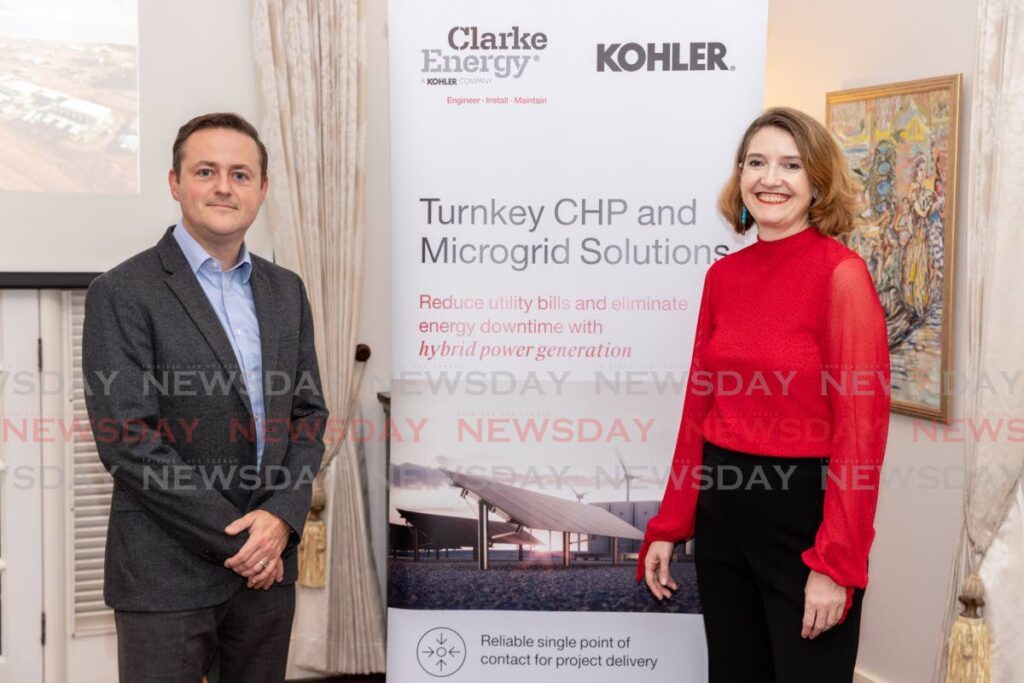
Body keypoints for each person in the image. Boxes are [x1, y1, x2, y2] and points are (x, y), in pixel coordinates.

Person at [637, 107, 890, 682]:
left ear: (817, 181)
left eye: (790, 165)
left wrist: (835, 563)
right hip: (723, 506)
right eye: (756, 162)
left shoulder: (841, 276)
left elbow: (862, 436)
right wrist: (672, 523)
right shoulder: (723, 278)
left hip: (803, 517)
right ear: (740, 176)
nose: (769, 179)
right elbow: (698, 410)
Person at [83, 112, 328, 683]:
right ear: (175, 183)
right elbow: (128, 441)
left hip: (267, 574)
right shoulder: (121, 291)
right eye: (206, 171)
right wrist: (244, 539)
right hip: (166, 571)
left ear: (262, 191)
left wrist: (280, 520)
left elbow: (308, 415)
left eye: (241, 174)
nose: (224, 186)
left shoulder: (286, 290)